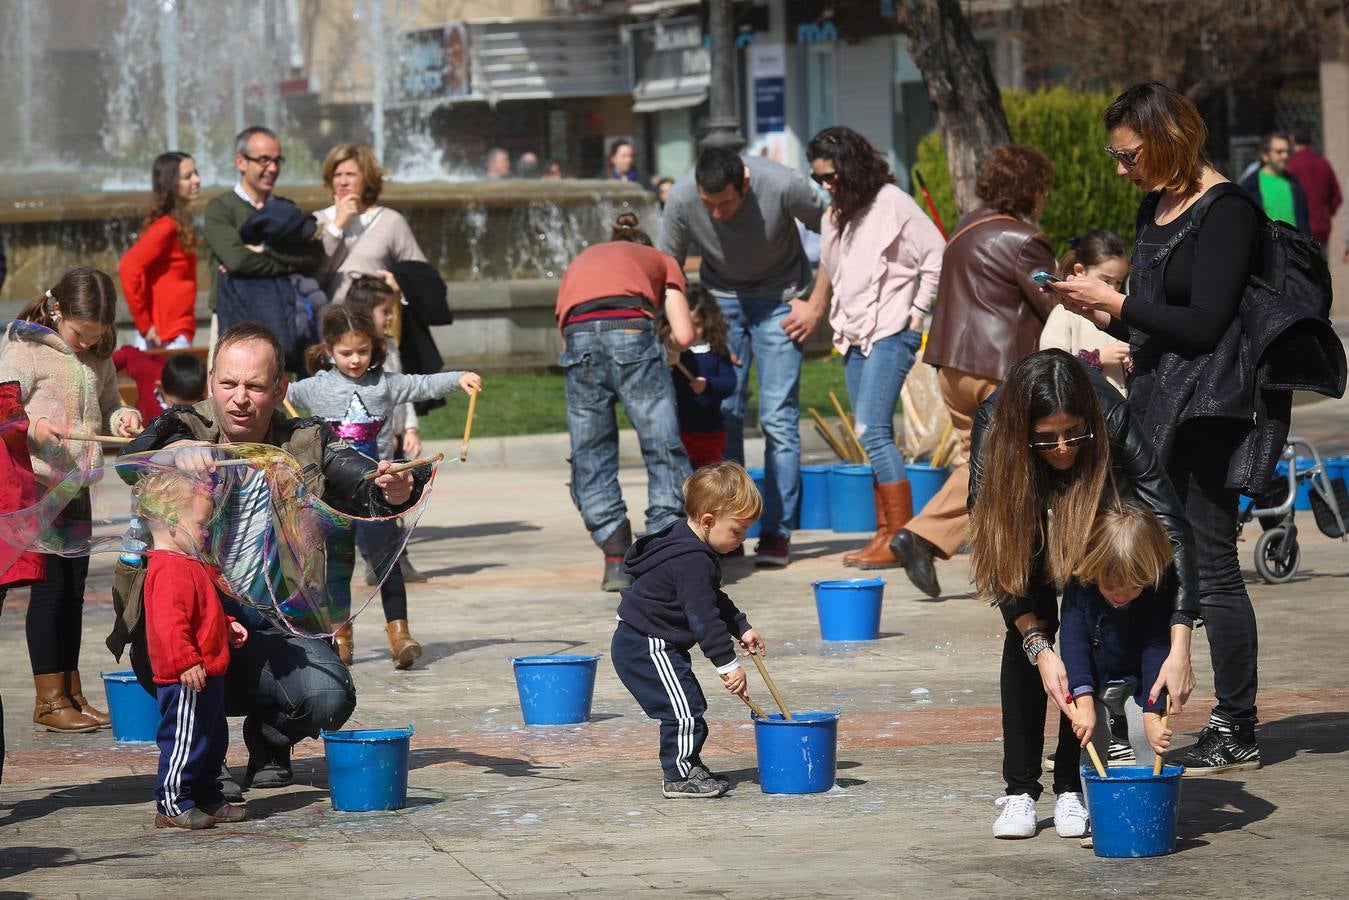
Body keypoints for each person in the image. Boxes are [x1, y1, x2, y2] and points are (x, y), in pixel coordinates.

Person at [1054, 81, 1306, 774]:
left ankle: (1236, 720)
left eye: (1128, 154)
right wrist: (1103, 312)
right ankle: (1139, 692)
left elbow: (1205, 322)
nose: (1119, 168)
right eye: (1115, 156)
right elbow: (1158, 315)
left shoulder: (1227, 209)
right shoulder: (1155, 204)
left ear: (1167, 141)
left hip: (1209, 412)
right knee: (1156, 555)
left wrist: (1117, 299)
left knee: (1210, 563)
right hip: (1156, 399)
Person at [121, 322, 419, 797]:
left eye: (255, 386)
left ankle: (268, 741)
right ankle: (204, 760)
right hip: (188, 617)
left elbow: (363, 482)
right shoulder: (185, 426)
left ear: (279, 389)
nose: (239, 398)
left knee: (330, 693)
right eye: (228, 384)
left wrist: (394, 487)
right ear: (212, 380)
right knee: (183, 663)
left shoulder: (306, 440)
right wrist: (173, 452)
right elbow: (131, 461)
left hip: (274, 624)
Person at [967, 349, 1198, 839]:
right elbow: (996, 551)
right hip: (1020, 509)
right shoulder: (993, 427)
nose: (1063, 448)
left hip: (1096, 509)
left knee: (1090, 632)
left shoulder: (1109, 415)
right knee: (1033, 642)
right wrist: (1038, 646)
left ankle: (1073, 784)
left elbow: (1173, 529)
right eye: (1046, 439)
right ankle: (1020, 790)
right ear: (1023, 431)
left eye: (1073, 434)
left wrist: (1180, 646)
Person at [890, 145, 1057, 597]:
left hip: (951, 367)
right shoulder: (1025, 240)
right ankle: (922, 536)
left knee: (985, 468)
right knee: (999, 468)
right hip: (998, 370)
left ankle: (1011, 566)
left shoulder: (966, 228)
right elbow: (1054, 305)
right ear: (1031, 189)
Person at [658, 147, 829, 567]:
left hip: (782, 298)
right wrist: (670, 325)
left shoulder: (784, 184)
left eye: (726, 203)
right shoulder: (681, 198)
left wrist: (816, 303)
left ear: (746, 184)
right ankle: (726, 533)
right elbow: (667, 268)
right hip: (721, 300)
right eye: (708, 204)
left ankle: (776, 532)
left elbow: (839, 231)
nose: (716, 214)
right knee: (726, 410)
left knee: (777, 417)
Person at [287, 303, 480, 666]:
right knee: (338, 565)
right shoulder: (315, 388)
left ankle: (400, 635)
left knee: (386, 562)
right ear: (328, 350)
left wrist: (458, 379)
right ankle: (340, 636)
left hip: (377, 489)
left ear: (374, 348)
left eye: (362, 351)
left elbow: (422, 384)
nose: (355, 360)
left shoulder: (384, 384)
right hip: (333, 493)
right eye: (345, 353)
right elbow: (282, 393)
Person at [0, 268, 144, 733]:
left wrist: (124, 417)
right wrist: (34, 428)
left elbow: (109, 401)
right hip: (40, 488)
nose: (85, 344)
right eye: (80, 334)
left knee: (74, 593)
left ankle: (71, 691)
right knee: (49, 592)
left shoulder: (98, 356)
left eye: (96, 337)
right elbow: (5, 405)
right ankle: (48, 699)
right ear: (58, 310)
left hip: (77, 485)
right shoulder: (25, 349)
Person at [807, 126, 944, 569]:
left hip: (892, 329)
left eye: (830, 177)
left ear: (851, 168)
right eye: (818, 180)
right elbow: (834, 267)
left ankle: (900, 535)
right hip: (855, 332)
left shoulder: (892, 204)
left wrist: (918, 310)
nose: (826, 186)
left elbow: (937, 254)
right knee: (871, 434)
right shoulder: (838, 213)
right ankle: (885, 533)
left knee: (871, 430)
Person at [610, 461, 766, 798]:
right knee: (683, 711)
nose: (741, 541)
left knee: (688, 705)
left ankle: (687, 764)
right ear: (708, 520)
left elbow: (711, 598)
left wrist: (741, 626)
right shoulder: (692, 559)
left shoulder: (691, 543)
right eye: (737, 531)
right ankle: (679, 776)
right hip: (646, 644)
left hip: (654, 641)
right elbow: (703, 617)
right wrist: (728, 666)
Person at [556, 212, 693, 591]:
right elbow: (683, 333)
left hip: (579, 336)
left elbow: (567, 332)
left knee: (590, 450)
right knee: (661, 444)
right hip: (632, 332)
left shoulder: (581, 261)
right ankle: (663, 548)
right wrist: (668, 353)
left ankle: (615, 553)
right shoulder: (662, 260)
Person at [138, 466, 249, 829]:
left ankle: (206, 795)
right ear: (172, 523)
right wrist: (185, 660)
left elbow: (202, 612)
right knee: (185, 739)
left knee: (211, 739)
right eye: (201, 525)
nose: (206, 532)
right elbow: (169, 625)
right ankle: (172, 803)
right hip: (185, 676)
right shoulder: (168, 569)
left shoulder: (190, 563)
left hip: (207, 671)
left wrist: (226, 627)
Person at [1062, 502, 1178, 772]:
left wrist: (1152, 711)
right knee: (1093, 733)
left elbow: (1156, 649)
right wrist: (1085, 701)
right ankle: (1094, 800)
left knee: (1146, 734)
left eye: (1132, 587)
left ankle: (1147, 796)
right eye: (1111, 586)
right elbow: (1073, 646)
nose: (1121, 594)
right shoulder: (1081, 588)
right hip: (1094, 677)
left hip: (1139, 680)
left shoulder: (1155, 593)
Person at [203, 126, 325, 367]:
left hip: (282, 311)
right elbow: (237, 260)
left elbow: (314, 256)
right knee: (227, 390)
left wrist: (266, 252)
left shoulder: (286, 209)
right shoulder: (220, 208)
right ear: (241, 162)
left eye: (277, 160)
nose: (273, 168)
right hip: (233, 312)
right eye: (264, 160)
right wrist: (289, 261)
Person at [345, 274, 429, 583]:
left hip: (390, 440)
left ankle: (396, 558)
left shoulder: (390, 346)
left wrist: (410, 428)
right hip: (364, 442)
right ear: (366, 314)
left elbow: (402, 392)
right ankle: (376, 560)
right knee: (370, 503)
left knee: (397, 496)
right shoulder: (356, 356)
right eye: (386, 311)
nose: (392, 317)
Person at [312, 143, 428, 304]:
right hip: (331, 322)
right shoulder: (318, 221)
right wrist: (337, 225)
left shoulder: (391, 221)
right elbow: (312, 278)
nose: (343, 182)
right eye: (337, 175)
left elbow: (423, 276)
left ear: (367, 178)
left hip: (375, 322)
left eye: (350, 174)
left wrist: (400, 286)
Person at [119, 152, 202, 351]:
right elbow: (128, 266)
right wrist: (145, 325)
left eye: (196, 173)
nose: (197, 180)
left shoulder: (179, 222)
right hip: (166, 337)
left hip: (174, 332)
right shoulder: (166, 226)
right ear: (170, 183)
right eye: (188, 176)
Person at [1038, 230, 1131, 394]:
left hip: (1120, 409)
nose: (1113, 289)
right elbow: (1051, 366)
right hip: (1084, 405)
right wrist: (1097, 358)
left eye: (1118, 282)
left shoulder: (1121, 311)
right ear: (1080, 271)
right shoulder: (1065, 313)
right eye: (1105, 280)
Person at [668, 287, 737, 469]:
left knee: (709, 480)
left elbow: (730, 383)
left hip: (710, 430)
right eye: (686, 324)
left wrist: (708, 385)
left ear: (708, 321)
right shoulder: (676, 353)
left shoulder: (716, 350)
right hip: (679, 430)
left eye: (697, 324)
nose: (691, 331)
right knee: (683, 481)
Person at [113, 347, 208, 425]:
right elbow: (126, 354)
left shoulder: (203, 401)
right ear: (160, 387)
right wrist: (104, 378)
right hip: (143, 431)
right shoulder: (149, 369)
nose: (182, 412)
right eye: (177, 405)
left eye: (190, 407)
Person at [1238, 132, 1310, 233]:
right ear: (1265, 156)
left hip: (1292, 245)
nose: (1285, 156)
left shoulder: (1295, 183)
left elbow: (1303, 221)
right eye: (1279, 152)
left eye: (1287, 151)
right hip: (1266, 246)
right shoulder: (1250, 185)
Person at [1285, 129, 1343, 250]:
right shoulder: (1323, 163)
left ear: (1292, 140)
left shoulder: (1291, 165)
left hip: (1297, 227)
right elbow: (1337, 197)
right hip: (1321, 226)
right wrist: (1325, 213)